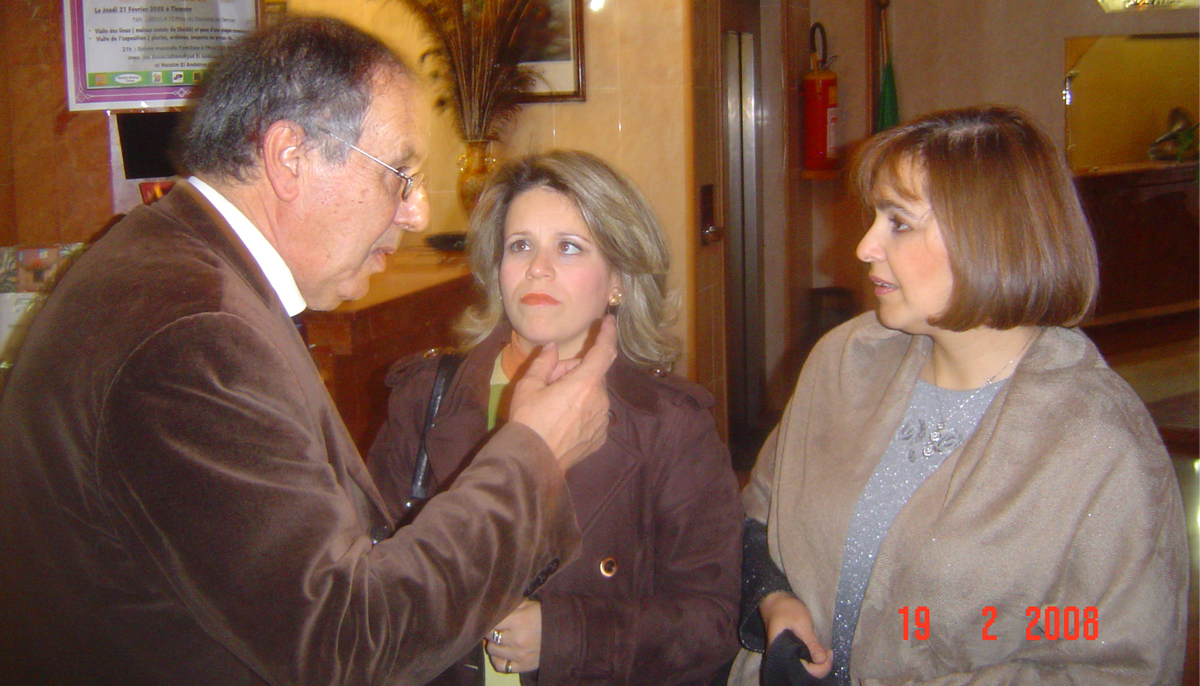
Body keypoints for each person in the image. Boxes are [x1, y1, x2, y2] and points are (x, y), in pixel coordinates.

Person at [0, 17, 617, 686]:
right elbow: (346, 642)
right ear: (290, 157)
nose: (417, 212)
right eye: (401, 175)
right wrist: (534, 455)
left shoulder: (174, 264)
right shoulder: (192, 336)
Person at [728, 106, 1189, 685]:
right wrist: (774, 599)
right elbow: (760, 512)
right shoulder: (845, 361)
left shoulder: (1099, 442)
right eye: (875, 217)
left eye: (898, 222)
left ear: (990, 237)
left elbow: (1122, 666)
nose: (865, 246)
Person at [368, 150, 743, 685]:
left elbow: (712, 621)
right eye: (520, 246)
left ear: (618, 279)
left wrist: (565, 635)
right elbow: (366, 585)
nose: (537, 268)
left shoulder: (673, 426)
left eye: (568, 247)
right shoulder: (425, 398)